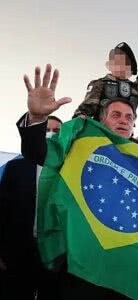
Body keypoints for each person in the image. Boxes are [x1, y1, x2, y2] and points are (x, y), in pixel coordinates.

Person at [17, 64, 138, 299]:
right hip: (79, 268)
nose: (123, 121)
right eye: (116, 115)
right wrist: (37, 117)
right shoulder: (78, 145)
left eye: (129, 117)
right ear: (102, 121)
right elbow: (38, 153)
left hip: (124, 272)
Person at [0, 116, 63, 299]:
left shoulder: (68, 170)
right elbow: (2, 209)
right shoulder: (15, 167)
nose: (51, 134)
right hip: (17, 251)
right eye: (47, 129)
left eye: (57, 131)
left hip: (55, 254)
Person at [73, 42, 138, 119]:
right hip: (102, 133)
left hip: (124, 137)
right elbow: (83, 113)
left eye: (125, 63)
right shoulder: (100, 84)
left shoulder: (135, 89)